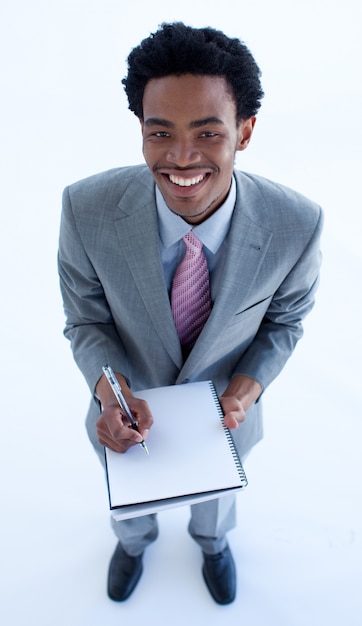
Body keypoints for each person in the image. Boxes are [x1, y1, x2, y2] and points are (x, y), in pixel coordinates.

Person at [58, 22, 323, 605]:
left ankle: (211, 542)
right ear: (141, 132)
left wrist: (245, 393)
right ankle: (133, 543)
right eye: (160, 133)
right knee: (127, 502)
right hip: (126, 412)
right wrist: (112, 395)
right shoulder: (85, 209)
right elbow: (86, 321)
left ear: (245, 131)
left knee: (217, 504)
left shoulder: (297, 225)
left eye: (207, 132)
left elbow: (285, 322)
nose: (182, 158)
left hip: (227, 415)